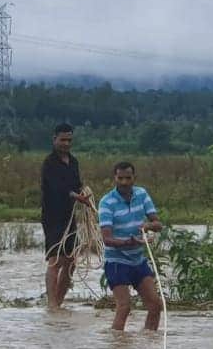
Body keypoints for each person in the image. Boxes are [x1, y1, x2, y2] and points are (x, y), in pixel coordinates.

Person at [98, 161, 164, 330]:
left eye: (128, 178)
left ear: (134, 178)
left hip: (138, 260)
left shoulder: (141, 194)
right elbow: (107, 239)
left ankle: (149, 347)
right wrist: (129, 242)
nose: (124, 183)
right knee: (124, 307)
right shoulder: (107, 202)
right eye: (120, 178)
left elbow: (158, 224)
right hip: (116, 261)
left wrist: (147, 226)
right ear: (115, 178)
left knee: (156, 305)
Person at [41, 123, 93, 308]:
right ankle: (52, 304)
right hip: (53, 217)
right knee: (55, 260)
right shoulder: (49, 163)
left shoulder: (73, 161)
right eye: (62, 140)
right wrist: (75, 195)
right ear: (54, 139)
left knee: (71, 260)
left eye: (69, 140)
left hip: (70, 216)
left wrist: (84, 194)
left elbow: (76, 184)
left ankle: (59, 302)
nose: (66, 143)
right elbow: (57, 187)